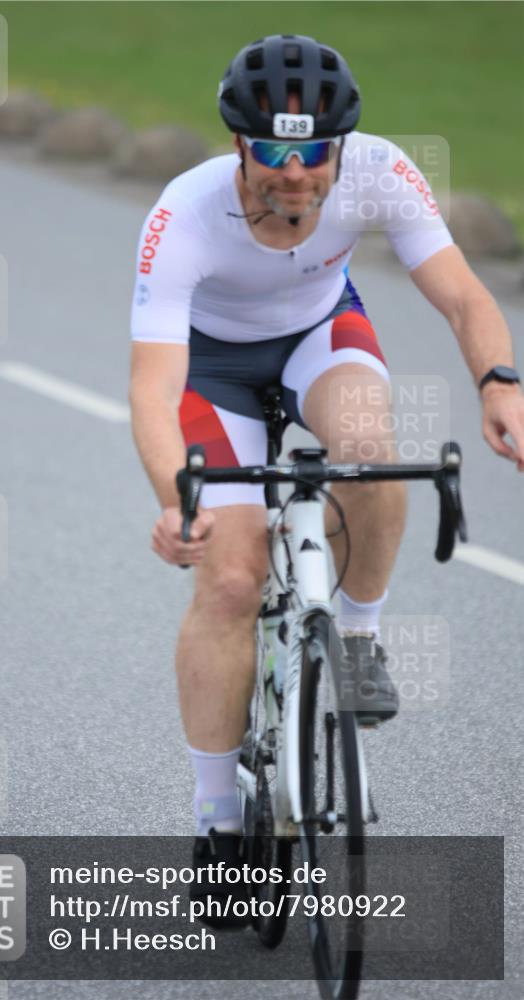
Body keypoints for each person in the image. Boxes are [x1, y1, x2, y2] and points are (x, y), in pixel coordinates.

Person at [128, 34, 524, 925]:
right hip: (210, 372)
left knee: (370, 447)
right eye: (273, 152)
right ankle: (219, 823)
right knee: (229, 578)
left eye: (313, 153)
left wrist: (501, 385)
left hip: (321, 336)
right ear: (239, 145)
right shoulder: (183, 214)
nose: (295, 174)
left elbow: (462, 294)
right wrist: (172, 497)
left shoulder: (380, 171)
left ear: (341, 149)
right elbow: (152, 385)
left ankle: (356, 640)